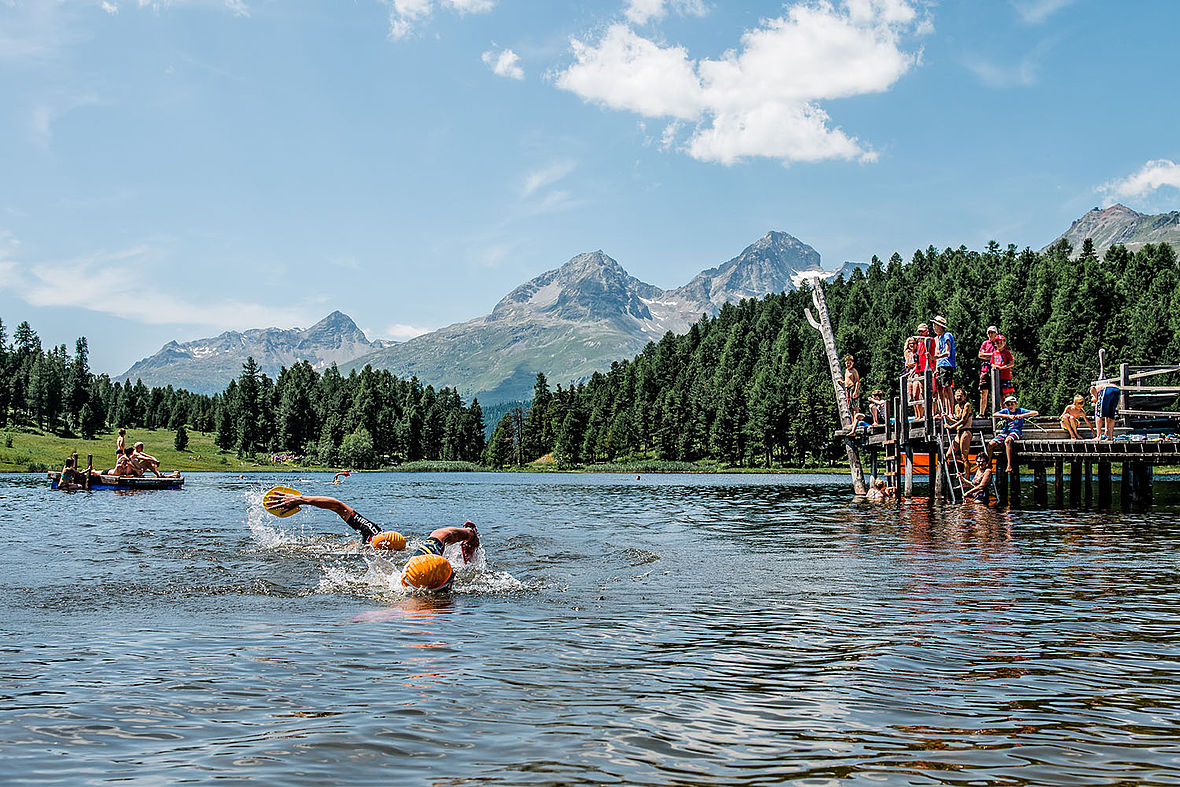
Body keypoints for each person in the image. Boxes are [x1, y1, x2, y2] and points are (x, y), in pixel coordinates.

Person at [262, 491, 480, 592]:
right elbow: (339, 506)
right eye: (380, 547)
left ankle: (470, 535)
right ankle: (470, 535)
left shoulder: (404, 584)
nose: (384, 550)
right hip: (423, 571)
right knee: (442, 536)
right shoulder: (373, 535)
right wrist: (302, 500)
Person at [987, 395, 1039, 467]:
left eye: (1012, 404)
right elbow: (994, 414)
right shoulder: (1005, 411)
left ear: (1016, 404)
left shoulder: (1020, 411)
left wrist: (1021, 415)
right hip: (1005, 432)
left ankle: (1009, 464)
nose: (1010, 406)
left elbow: (1035, 413)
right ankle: (989, 462)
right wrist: (1008, 416)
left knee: (1007, 441)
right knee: (991, 444)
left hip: (1016, 431)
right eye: (1008, 404)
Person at [932, 315, 957, 418]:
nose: (933, 327)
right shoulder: (938, 338)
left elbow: (947, 352)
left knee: (947, 387)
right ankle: (942, 411)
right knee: (940, 389)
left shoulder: (947, 335)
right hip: (940, 364)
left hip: (947, 364)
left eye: (935, 325)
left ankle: (950, 412)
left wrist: (935, 357)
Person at [947, 387, 974, 471]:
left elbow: (963, 420)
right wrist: (948, 418)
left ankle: (967, 477)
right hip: (958, 433)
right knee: (949, 455)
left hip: (966, 431)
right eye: (957, 396)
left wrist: (951, 427)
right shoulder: (956, 407)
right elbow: (957, 420)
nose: (959, 398)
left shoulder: (967, 405)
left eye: (961, 396)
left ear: (964, 397)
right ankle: (968, 464)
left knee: (964, 455)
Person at [912, 323, 934, 419]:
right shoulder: (919, 344)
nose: (920, 333)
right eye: (919, 331)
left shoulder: (929, 340)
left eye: (922, 331)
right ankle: (921, 414)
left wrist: (917, 338)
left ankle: (931, 413)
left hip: (928, 370)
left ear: (927, 331)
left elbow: (928, 340)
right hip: (919, 370)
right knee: (918, 393)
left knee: (929, 392)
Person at [977, 325, 999, 414]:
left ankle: (998, 412)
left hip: (996, 370)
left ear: (996, 333)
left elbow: (1000, 354)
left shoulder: (999, 342)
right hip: (985, 369)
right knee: (983, 391)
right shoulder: (985, 343)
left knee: (998, 392)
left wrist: (986, 355)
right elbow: (980, 355)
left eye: (992, 332)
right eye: (989, 333)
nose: (990, 334)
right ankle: (982, 413)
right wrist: (993, 355)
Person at [990, 335, 1015, 400]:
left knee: (1006, 395)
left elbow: (1011, 363)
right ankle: (1002, 409)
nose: (999, 344)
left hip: (1006, 377)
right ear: (995, 344)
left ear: (1004, 343)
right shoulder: (994, 353)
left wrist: (1002, 368)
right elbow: (991, 363)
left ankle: (1008, 408)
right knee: (1000, 395)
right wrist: (994, 366)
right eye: (997, 343)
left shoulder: (1007, 352)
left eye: (1001, 342)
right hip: (997, 377)